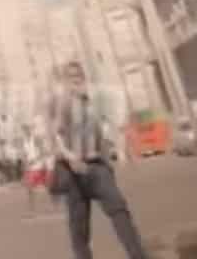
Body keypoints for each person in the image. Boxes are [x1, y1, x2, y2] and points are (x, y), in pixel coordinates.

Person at [49, 62, 149, 259]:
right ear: (65, 81)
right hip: (73, 172)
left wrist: (119, 148)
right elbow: (56, 135)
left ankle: (138, 255)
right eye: (71, 76)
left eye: (79, 75)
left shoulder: (93, 102)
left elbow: (107, 126)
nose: (76, 79)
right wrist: (70, 157)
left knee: (119, 211)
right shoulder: (63, 103)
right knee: (80, 226)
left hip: (97, 167)